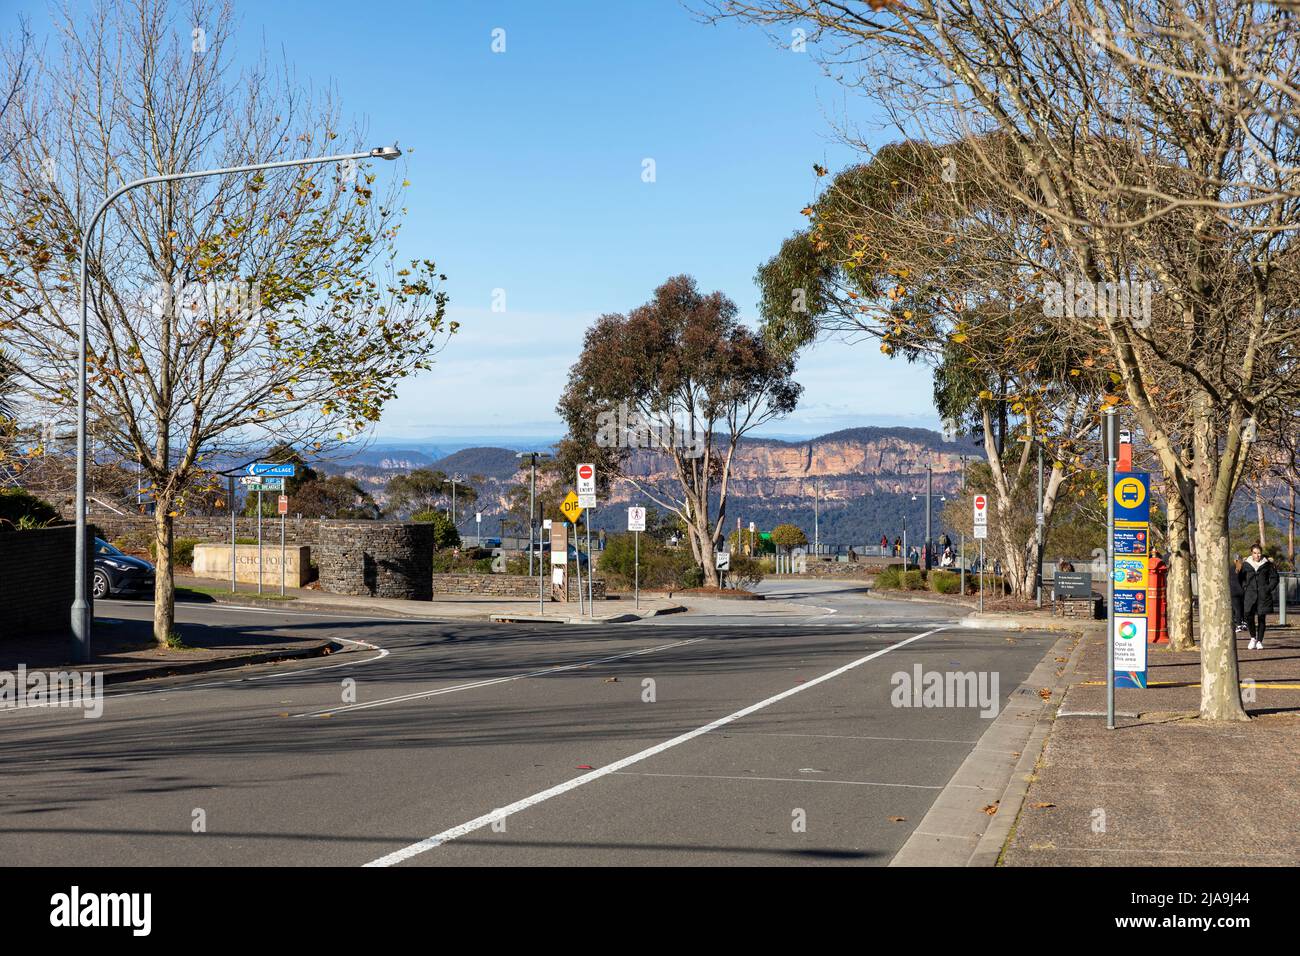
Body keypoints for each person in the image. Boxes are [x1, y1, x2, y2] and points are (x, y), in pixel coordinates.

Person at [1239, 543, 1279, 650]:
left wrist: (1268, 588)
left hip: (1263, 595)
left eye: (1259, 553)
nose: (1257, 555)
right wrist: (1245, 587)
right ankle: (1253, 638)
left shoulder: (1267, 564)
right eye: (1255, 553)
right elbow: (1241, 578)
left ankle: (1260, 641)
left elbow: (1275, 578)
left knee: (1262, 617)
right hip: (1250, 595)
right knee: (1248, 615)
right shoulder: (1246, 565)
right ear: (1251, 553)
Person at [1230, 556, 1246, 634]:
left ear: (1234, 560)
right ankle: (1244, 623)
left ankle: (1239, 625)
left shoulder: (1230, 568)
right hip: (1242, 591)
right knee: (1242, 608)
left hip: (1234, 591)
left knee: (1236, 609)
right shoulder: (1243, 568)